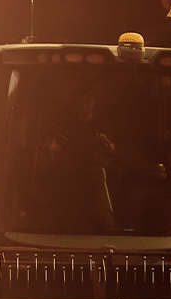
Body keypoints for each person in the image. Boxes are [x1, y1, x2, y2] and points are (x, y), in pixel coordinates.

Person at [45, 88, 117, 232]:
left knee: (100, 173)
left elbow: (112, 147)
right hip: (72, 169)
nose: (85, 105)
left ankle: (106, 218)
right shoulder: (69, 124)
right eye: (82, 102)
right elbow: (55, 143)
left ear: (94, 103)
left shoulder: (101, 122)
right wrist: (53, 147)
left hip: (96, 168)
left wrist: (106, 143)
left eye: (88, 102)